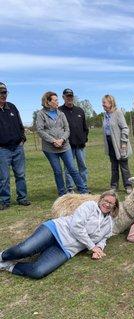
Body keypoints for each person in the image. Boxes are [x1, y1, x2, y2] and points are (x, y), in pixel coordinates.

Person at [0, 191, 119, 279]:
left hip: (67, 249)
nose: (107, 205)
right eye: (106, 201)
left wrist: (98, 249)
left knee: (38, 271)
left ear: (114, 207)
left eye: (111, 203)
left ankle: (8, 266)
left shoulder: (109, 223)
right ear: (100, 200)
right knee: (24, 250)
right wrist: (91, 246)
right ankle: (2, 256)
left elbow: (104, 238)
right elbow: (76, 227)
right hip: (55, 230)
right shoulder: (89, 206)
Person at [36, 91, 88, 197]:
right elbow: (40, 130)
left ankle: (83, 191)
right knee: (58, 171)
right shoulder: (41, 114)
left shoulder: (61, 113)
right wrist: (53, 141)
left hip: (64, 146)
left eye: (57, 100)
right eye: (55, 100)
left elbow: (67, 129)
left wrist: (62, 140)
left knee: (72, 169)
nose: (57, 102)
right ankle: (62, 194)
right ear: (48, 102)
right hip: (50, 149)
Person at [0, 82, 31, 210]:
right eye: (1, 92)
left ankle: (22, 198)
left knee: (20, 175)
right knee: (3, 177)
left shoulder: (12, 107)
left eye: (5, 92)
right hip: (2, 149)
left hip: (17, 147)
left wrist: (22, 138)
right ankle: (4, 201)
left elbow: (20, 124)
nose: (3, 95)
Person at [59, 88, 90, 193]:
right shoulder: (59, 111)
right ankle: (70, 188)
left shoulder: (80, 110)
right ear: (63, 97)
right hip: (67, 146)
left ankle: (83, 187)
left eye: (71, 96)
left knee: (83, 167)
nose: (69, 98)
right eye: (67, 96)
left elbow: (85, 127)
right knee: (69, 169)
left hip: (80, 145)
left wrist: (84, 139)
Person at [102, 94, 133, 194]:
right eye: (102, 103)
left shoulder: (118, 112)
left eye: (104, 102)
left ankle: (128, 186)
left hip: (120, 144)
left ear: (111, 103)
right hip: (110, 144)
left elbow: (125, 128)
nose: (103, 104)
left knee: (124, 166)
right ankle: (114, 186)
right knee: (114, 166)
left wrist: (123, 143)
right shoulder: (105, 115)